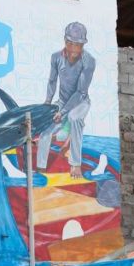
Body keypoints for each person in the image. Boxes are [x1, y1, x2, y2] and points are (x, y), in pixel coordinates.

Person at [37, 21, 96, 179]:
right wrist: (48, 103)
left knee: (74, 118)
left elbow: (80, 91)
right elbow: (52, 81)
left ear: (82, 45)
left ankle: (75, 163)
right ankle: (40, 167)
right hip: (62, 102)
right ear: (65, 41)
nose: (74, 49)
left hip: (81, 102)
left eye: (78, 45)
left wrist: (62, 113)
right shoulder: (56, 57)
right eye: (71, 44)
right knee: (47, 126)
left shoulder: (89, 61)